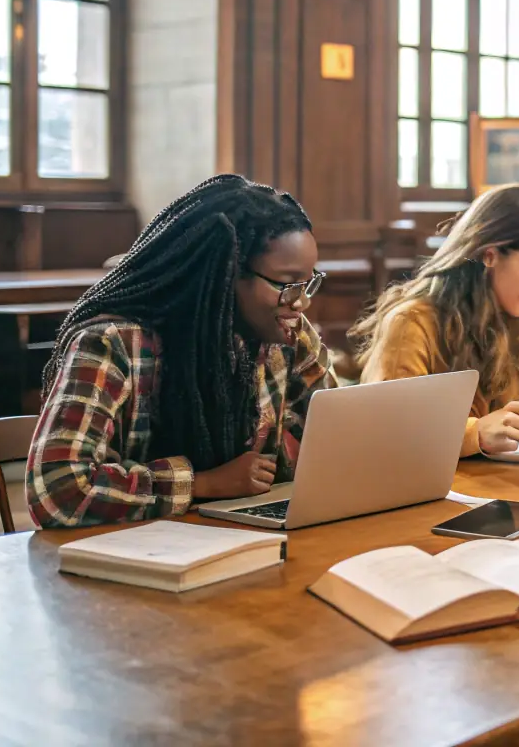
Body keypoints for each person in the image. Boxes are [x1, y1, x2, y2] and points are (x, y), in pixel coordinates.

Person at [27, 175, 336, 528]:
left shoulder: (285, 331)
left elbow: (337, 431)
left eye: (309, 282)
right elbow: (59, 490)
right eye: (286, 285)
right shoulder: (112, 344)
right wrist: (205, 483)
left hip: (241, 540)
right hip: (129, 553)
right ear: (226, 273)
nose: (302, 301)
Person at [353, 185, 519, 457]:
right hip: (431, 490)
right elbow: (389, 428)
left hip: (500, 485)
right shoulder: (412, 322)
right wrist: (475, 433)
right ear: (489, 255)